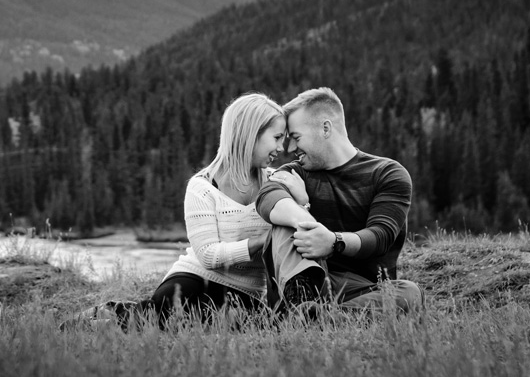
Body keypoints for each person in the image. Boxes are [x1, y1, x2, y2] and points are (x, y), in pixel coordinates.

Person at [100, 92, 319, 329]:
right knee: (171, 312)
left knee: (253, 325)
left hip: (245, 292)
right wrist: (258, 242)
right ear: (250, 134)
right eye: (276, 137)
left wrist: (303, 202)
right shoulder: (202, 186)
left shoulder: (275, 184)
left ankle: (120, 316)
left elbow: (301, 239)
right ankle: (104, 318)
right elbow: (207, 255)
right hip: (195, 279)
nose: (282, 147)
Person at [256, 87, 424, 315]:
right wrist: (304, 210)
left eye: (296, 137)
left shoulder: (387, 173)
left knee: (409, 293)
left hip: (363, 290)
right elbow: (267, 198)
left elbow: (380, 235)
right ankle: (302, 304)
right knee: (285, 218)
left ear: (325, 128)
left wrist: (333, 242)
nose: (290, 148)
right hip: (306, 280)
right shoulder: (296, 173)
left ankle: (316, 318)